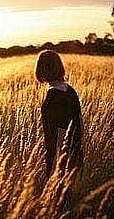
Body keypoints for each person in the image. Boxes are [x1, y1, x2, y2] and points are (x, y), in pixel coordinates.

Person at [35, 50, 83, 181]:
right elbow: (79, 124)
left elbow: (56, 134)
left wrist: (54, 163)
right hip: (75, 152)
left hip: (59, 157)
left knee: (57, 197)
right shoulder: (70, 90)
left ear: (42, 69)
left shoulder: (53, 97)